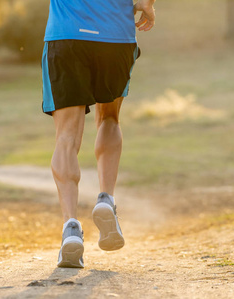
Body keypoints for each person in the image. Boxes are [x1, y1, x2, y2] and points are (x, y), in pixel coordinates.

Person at [41, 0, 156, 268]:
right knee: (110, 118)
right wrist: (148, 5)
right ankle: (106, 199)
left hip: (67, 34)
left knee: (66, 137)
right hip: (115, 37)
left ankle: (70, 227)